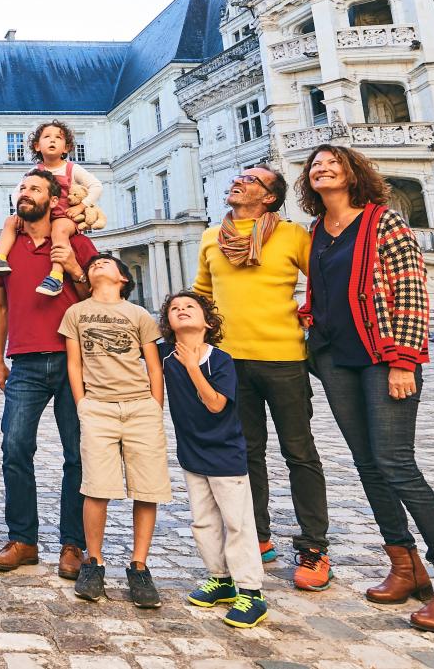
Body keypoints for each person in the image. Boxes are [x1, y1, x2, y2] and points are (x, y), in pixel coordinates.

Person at [295, 144, 434, 633]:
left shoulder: (384, 222)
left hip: (383, 359)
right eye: (315, 165)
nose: (322, 169)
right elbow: (325, 292)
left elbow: (410, 292)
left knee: (397, 463)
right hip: (336, 359)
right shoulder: (318, 231)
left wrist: (404, 360)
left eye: (332, 163)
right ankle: (405, 567)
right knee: (367, 465)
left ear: (353, 173)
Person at [193, 165, 331, 592]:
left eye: (252, 180)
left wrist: (310, 324)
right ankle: (258, 536)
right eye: (238, 176)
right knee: (246, 454)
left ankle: (314, 547)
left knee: (299, 453)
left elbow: (324, 285)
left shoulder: (291, 236)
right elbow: (202, 296)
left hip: (284, 358)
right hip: (232, 363)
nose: (239, 181)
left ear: (269, 197)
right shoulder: (211, 238)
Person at [0, 168, 97, 579]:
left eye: (35, 188)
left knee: (77, 455)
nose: (25, 193)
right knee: (15, 448)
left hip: (75, 361)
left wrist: (73, 268)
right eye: (22, 188)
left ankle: (73, 544)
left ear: (54, 201)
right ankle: (23, 539)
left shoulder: (78, 241)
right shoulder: (5, 247)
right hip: (26, 363)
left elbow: (95, 298)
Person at [59, 254, 171, 608]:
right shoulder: (76, 312)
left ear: (123, 278)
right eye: (92, 265)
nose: (96, 265)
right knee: (96, 486)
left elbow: (154, 365)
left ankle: (139, 566)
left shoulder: (138, 315)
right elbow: (74, 362)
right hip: (98, 408)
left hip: (140, 406)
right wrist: (82, 403)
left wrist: (155, 405)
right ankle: (94, 561)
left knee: (147, 486)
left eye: (105, 263)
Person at [159, 290, 268, 629]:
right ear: (168, 324)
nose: (181, 310)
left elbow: (216, 404)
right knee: (203, 520)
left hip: (225, 452)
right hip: (192, 452)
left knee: (237, 522)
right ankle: (220, 579)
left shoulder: (219, 359)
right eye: (175, 309)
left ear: (207, 322)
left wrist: (192, 367)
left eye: (189, 307)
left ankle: (251, 591)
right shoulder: (163, 355)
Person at [0, 119, 102, 297]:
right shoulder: (34, 171)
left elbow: (96, 186)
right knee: (9, 222)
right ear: (37, 146)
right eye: (47, 137)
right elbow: (16, 193)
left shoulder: (72, 169)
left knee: (59, 232)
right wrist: (20, 213)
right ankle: (0, 259)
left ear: (66, 148)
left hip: (64, 216)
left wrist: (82, 206)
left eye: (58, 138)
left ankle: (56, 276)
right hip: (39, 217)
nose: (52, 140)